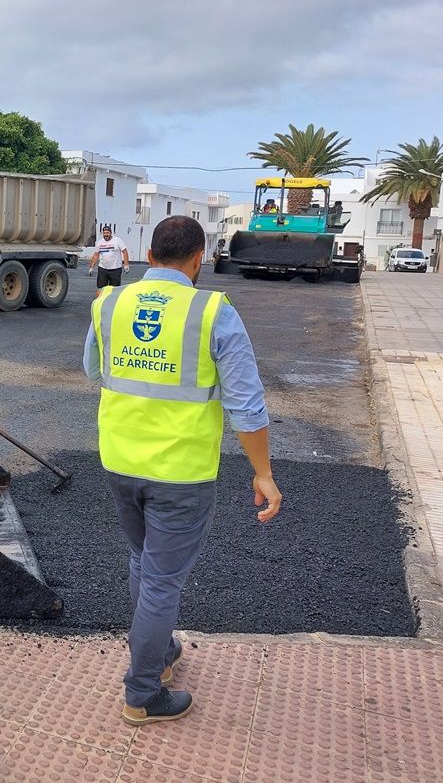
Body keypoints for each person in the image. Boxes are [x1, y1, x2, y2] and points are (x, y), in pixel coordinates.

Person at [83, 216, 282, 726]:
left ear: (149, 257)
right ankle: (142, 693)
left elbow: (94, 370)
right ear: (198, 261)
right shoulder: (213, 310)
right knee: (163, 581)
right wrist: (263, 473)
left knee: (142, 562)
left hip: (120, 461)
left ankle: (161, 650)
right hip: (181, 472)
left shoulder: (110, 302)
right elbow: (246, 404)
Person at [88, 226, 131, 296]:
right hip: (103, 269)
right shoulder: (100, 243)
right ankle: (99, 303)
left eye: (107, 233)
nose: (106, 235)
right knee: (100, 289)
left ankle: (112, 304)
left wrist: (126, 265)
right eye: (104, 233)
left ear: (111, 233)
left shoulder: (117, 241)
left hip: (115, 269)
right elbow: (96, 255)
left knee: (114, 289)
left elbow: (125, 252)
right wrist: (91, 267)